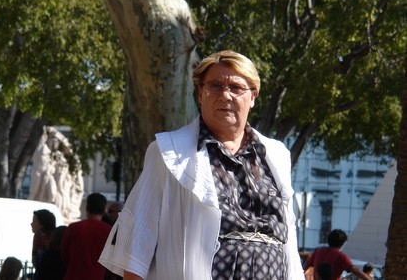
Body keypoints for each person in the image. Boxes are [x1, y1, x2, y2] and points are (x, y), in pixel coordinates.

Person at [99, 50, 304, 279]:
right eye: (215, 86)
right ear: (200, 93)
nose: (225, 95)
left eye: (236, 87)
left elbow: (289, 241)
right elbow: (138, 243)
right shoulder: (168, 152)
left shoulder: (276, 155)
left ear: (253, 97)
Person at [61, 193, 112, 280]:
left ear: (87, 207)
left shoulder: (73, 228)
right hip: (97, 276)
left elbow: (64, 254)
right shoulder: (109, 231)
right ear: (104, 210)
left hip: (73, 275)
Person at [303, 229, 371, 280]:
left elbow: (305, 266)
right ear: (342, 244)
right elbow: (354, 270)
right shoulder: (341, 256)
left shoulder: (318, 251)